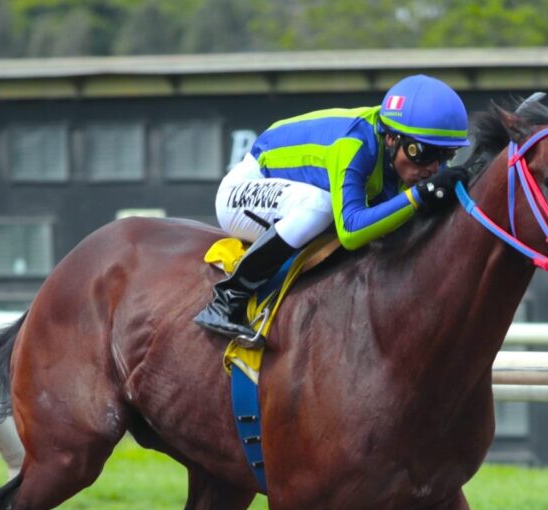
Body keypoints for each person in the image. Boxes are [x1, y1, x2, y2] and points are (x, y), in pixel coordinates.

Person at [194, 73, 471, 343]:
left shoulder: (401, 152)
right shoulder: (354, 144)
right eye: (422, 153)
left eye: (445, 155)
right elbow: (350, 229)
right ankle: (227, 299)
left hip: (288, 193)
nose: (433, 168)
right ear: (391, 139)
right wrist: (418, 196)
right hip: (242, 191)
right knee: (320, 207)